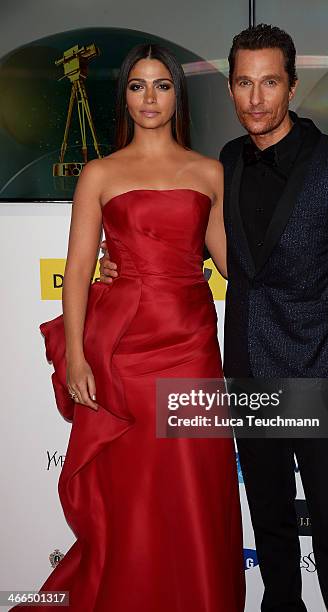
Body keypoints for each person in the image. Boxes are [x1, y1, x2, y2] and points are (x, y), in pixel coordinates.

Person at [100, 25, 328, 612]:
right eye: (244, 84)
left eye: (270, 83)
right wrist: (120, 264)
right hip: (249, 370)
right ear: (230, 89)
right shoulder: (223, 163)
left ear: (292, 86)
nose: (257, 99)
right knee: (272, 532)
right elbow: (187, 240)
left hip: (322, 374)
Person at [15, 44, 245, 612]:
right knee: (136, 497)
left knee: (194, 490)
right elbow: (75, 271)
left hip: (192, 348)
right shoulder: (100, 172)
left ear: (177, 95)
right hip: (123, 359)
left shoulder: (210, 172)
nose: (150, 97)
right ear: (124, 96)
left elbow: (234, 265)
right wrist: (75, 357)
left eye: (162, 85)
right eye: (138, 86)